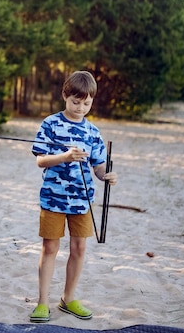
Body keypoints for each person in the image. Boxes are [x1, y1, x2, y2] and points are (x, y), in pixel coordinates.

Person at [29, 70, 117, 323]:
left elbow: (99, 166)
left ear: (92, 101)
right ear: (65, 96)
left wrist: (107, 175)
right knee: (50, 248)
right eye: (75, 102)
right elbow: (41, 160)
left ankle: (68, 298)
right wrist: (64, 156)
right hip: (53, 197)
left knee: (79, 249)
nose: (80, 108)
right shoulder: (50, 124)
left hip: (82, 200)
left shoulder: (92, 132)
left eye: (86, 103)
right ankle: (42, 303)